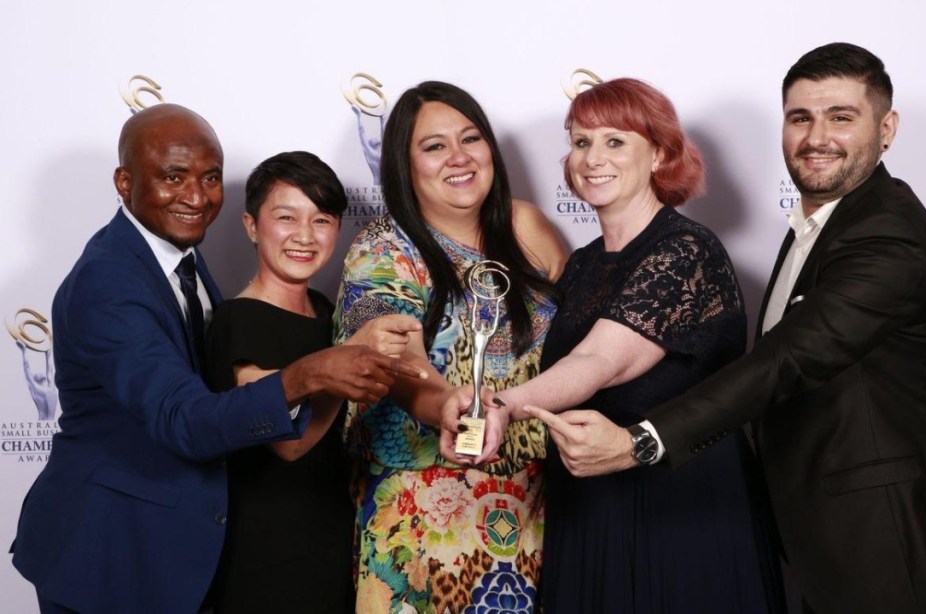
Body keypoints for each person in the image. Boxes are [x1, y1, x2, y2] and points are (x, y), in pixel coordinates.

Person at [524, 44, 926, 613]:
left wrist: (640, 441)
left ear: (887, 128)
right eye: (800, 118)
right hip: (826, 540)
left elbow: (785, 360)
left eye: (841, 117)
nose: (816, 136)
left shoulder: (888, 236)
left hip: (903, 542)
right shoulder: (819, 225)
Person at [10, 104, 425, 614]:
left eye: (210, 177)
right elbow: (184, 418)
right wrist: (319, 370)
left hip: (183, 547)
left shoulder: (177, 253)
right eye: (173, 177)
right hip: (112, 553)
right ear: (124, 182)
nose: (196, 196)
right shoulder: (108, 282)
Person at [440, 78, 785, 614]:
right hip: (593, 505)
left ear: (661, 154)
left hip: (678, 508)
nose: (592, 157)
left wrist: (504, 406)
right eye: (580, 142)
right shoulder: (582, 263)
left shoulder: (686, 250)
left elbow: (601, 360)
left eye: (615, 141)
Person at [335, 81, 566, 613]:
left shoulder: (527, 226)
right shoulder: (383, 248)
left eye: (470, 138)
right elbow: (393, 357)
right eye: (434, 146)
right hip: (427, 522)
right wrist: (443, 404)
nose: (458, 158)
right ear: (403, 164)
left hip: (538, 511)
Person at [202, 151, 422, 613]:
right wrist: (348, 359)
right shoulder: (236, 320)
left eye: (321, 220)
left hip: (335, 536)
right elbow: (288, 443)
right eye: (286, 217)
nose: (304, 236)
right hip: (266, 551)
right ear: (250, 225)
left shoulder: (327, 310)